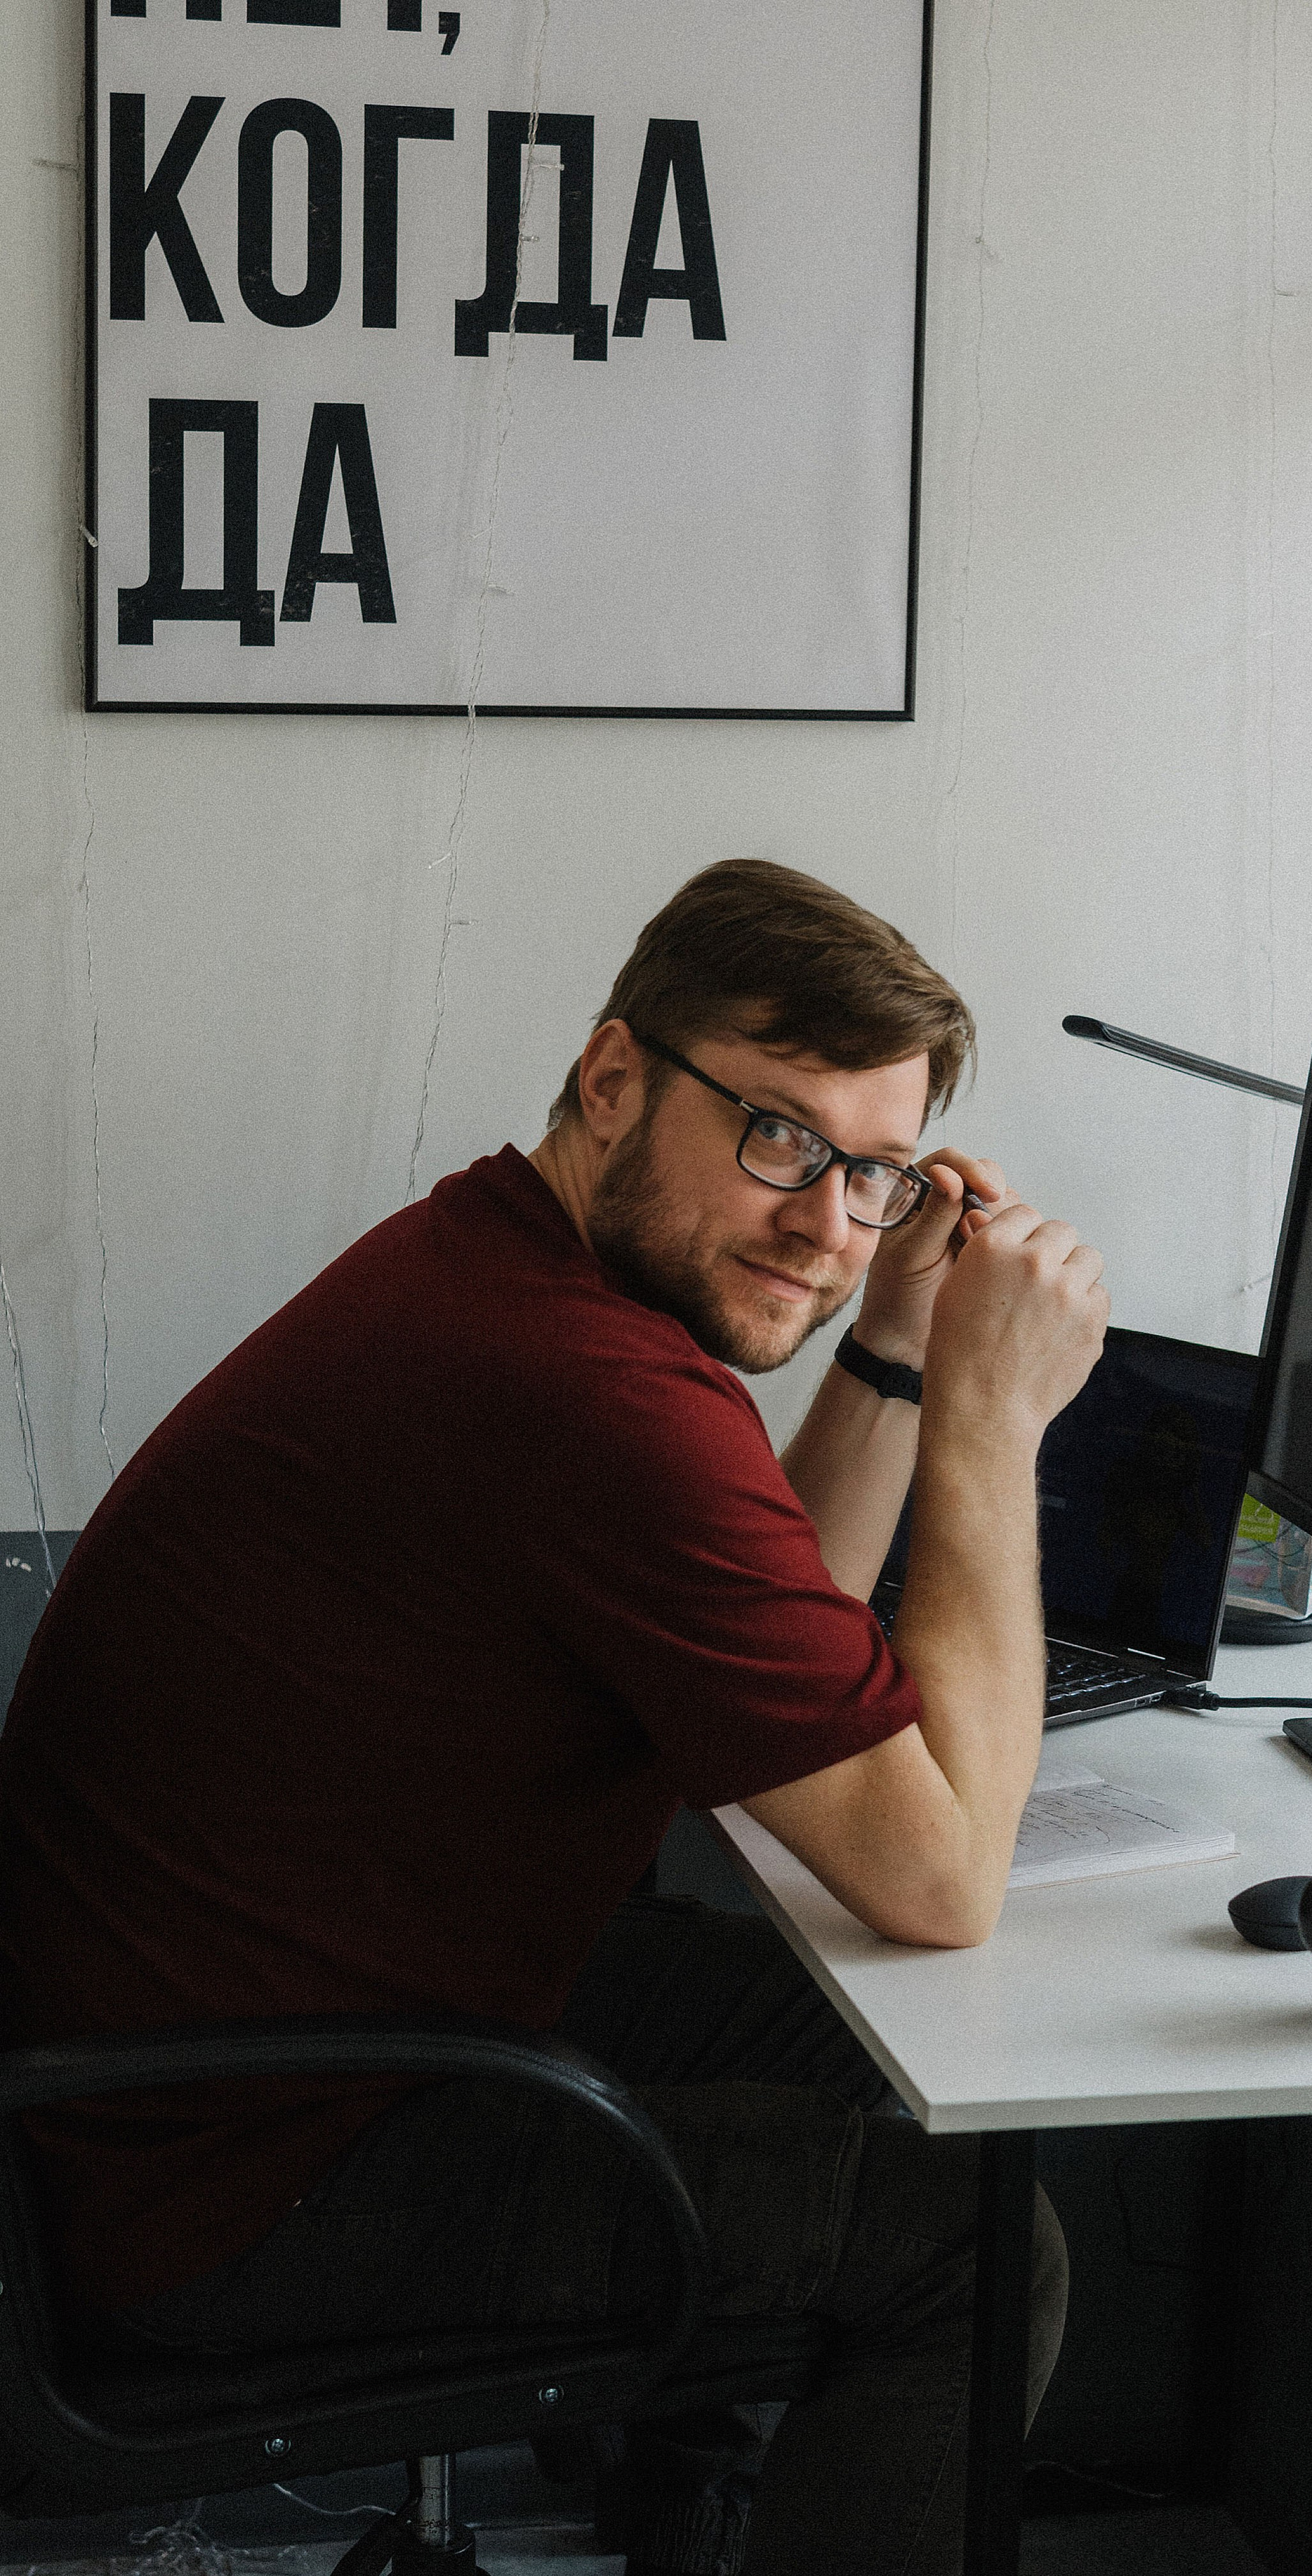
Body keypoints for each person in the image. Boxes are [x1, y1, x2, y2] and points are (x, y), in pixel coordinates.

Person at [0, 861, 1109, 2575]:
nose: (827, 1220)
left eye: (876, 1173)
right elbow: (940, 1875)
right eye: (778, 1138)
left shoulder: (505, 1265)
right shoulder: (586, 1391)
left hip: (238, 2071)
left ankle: (690, 2526)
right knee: (965, 2243)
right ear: (613, 1083)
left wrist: (892, 1346)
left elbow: (767, 1652)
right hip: (229, 2189)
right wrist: (988, 1420)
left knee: (872, 2061)